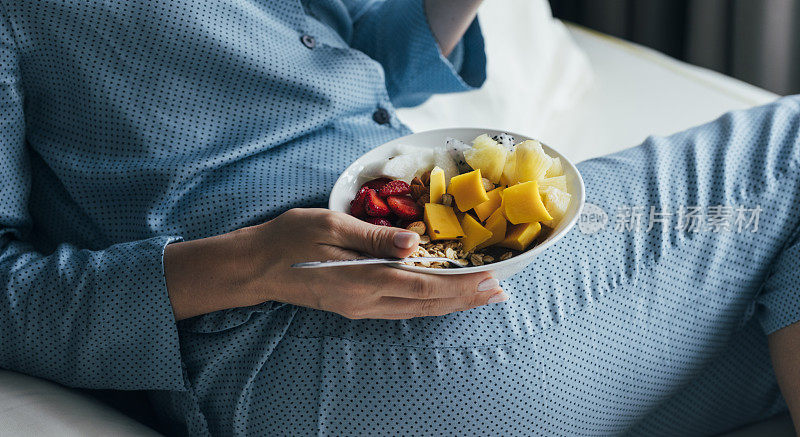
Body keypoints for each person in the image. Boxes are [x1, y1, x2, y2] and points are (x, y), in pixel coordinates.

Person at [0, 0, 798, 435]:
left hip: (438, 262)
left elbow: (348, 48)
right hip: (305, 339)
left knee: (771, 305)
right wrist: (253, 260)